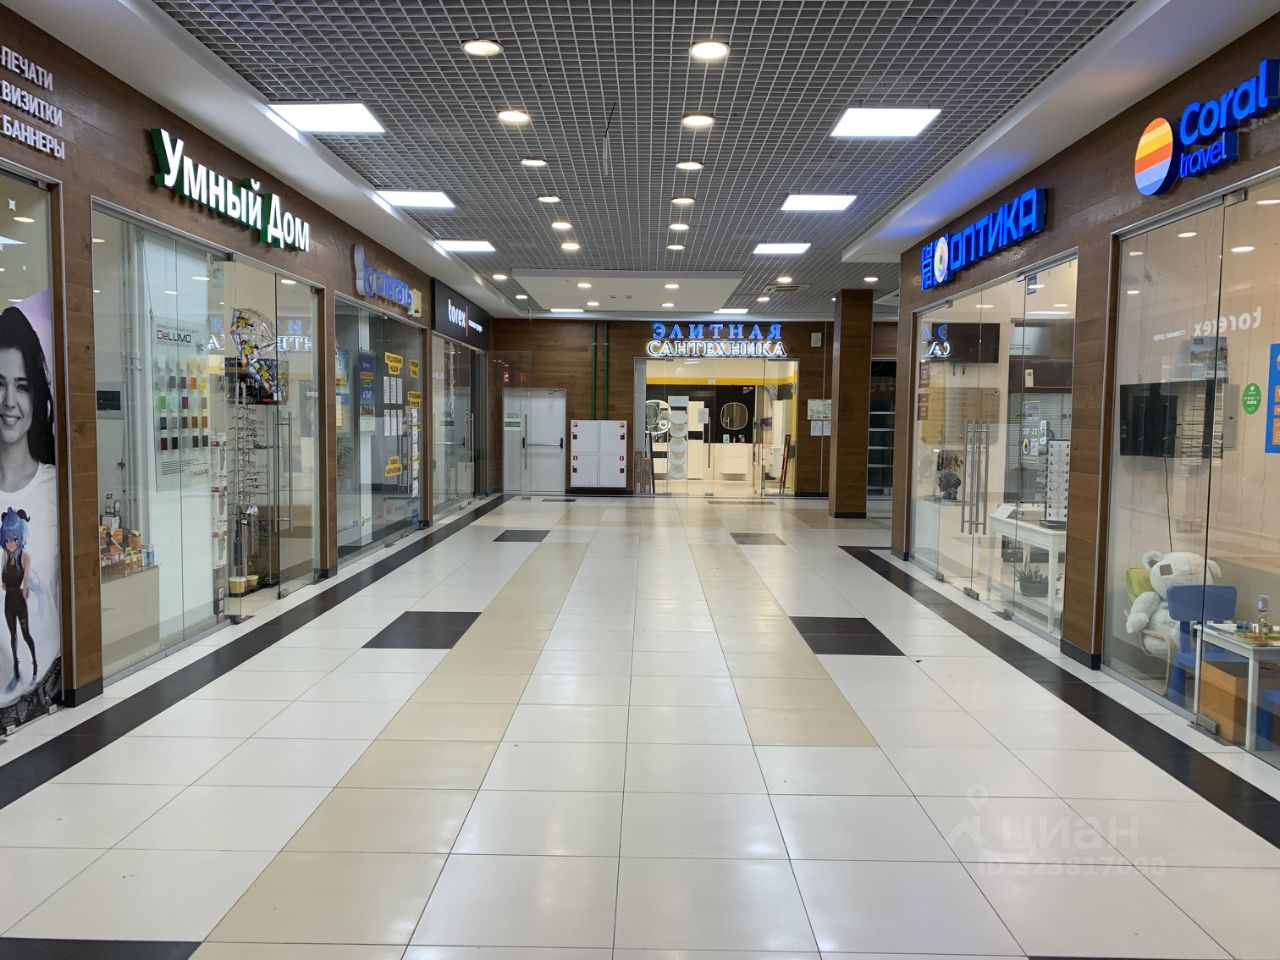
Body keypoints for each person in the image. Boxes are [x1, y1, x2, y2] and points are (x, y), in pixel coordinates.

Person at [0, 305, 57, 696]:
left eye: (21, 386)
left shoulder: (55, 489)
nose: (8, 401)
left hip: (48, 690)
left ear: (35, 395)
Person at [1, 508, 34, 691]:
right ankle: (16, 671)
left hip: (19, 602)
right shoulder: (5, 555)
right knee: (12, 637)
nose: (10, 543)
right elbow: (2, 584)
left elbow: (26, 583)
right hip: (8, 602)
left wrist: (25, 589)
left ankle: (34, 664)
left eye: (14, 539)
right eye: (7, 540)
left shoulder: (24, 557)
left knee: (26, 635)